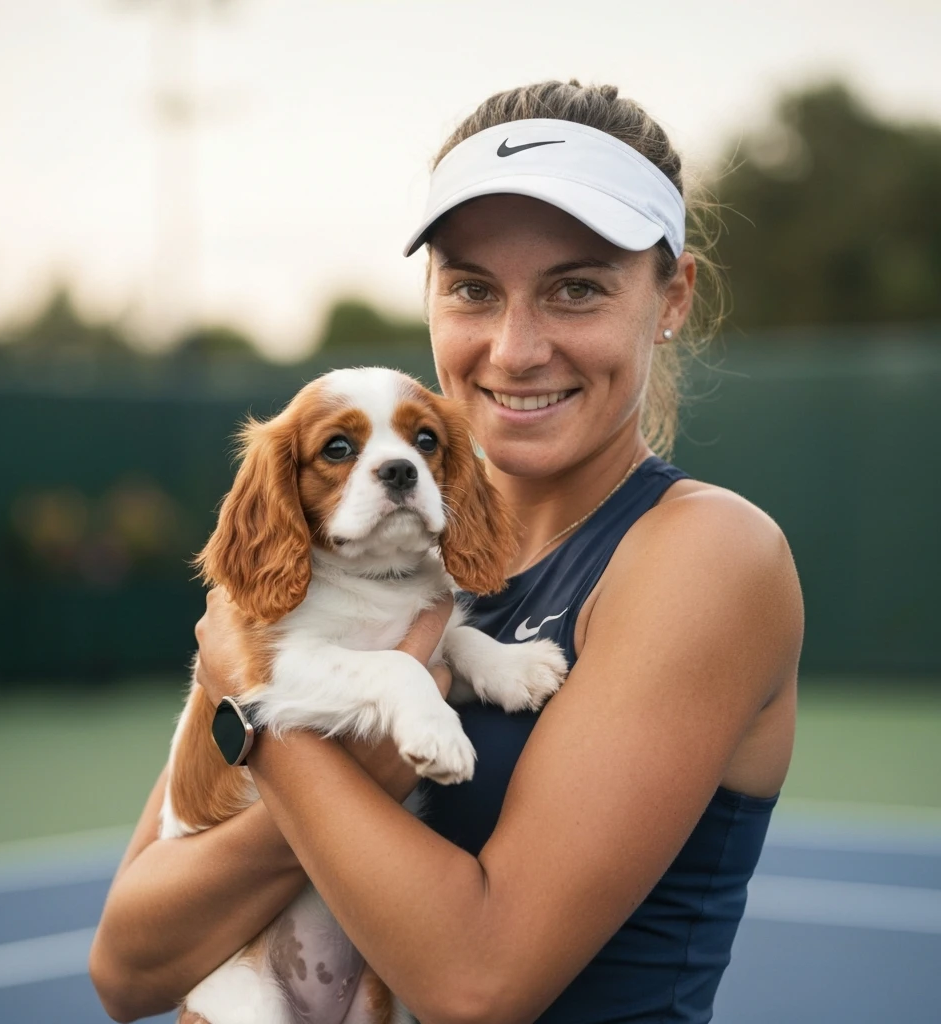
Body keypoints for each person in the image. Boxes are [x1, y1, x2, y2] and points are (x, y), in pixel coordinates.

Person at [90, 79, 803, 1024]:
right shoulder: (367, 562)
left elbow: (478, 986)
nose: (514, 348)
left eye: (577, 288)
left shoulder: (709, 555)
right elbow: (127, 969)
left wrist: (249, 697)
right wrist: (319, 740)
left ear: (672, 298)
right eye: (472, 287)